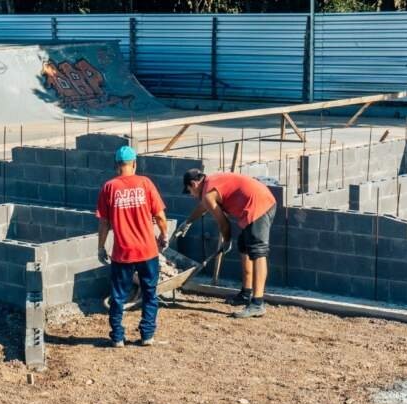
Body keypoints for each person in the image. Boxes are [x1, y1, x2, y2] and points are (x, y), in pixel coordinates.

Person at [176, 169, 276, 318]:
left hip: (258, 203)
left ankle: (257, 303)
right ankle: (246, 293)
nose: (191, 195)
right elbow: (203, 206)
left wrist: (226, 241)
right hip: (259, 198)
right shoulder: (210, 183)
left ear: (194, 184)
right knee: (244, 246)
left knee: (258, 251)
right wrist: (188, 221)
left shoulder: (208, 193)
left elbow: (224, 224)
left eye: (189, 191)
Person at [97, 146, 168, 348]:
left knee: (118, 296)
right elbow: (160, 216)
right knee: (149, 293)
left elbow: (104, 223)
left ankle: (118, 337)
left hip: (123, 253)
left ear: (116, 165)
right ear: (135, 164)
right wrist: (164, 235)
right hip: (147, 251)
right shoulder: (146, 184)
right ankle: (147, 335)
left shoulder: (109, 187)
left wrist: (101, 247)